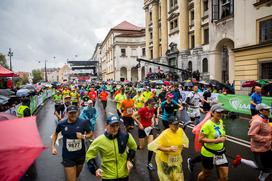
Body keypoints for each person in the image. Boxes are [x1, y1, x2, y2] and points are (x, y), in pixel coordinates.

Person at [86, 115, 137, 181]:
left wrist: (129, 160)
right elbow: (89, 155)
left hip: (124, 175)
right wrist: (95, 169)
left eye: (117, 125)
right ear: (106, 125)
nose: (115, 128)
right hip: (108, 177)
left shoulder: (125, 136)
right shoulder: (99, 140)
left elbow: (133, 146)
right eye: (112, 126)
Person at [51, 105, 92, 181]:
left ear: (78, 113)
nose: (73, 114)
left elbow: (90, 134)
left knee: (76, 175)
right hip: (68, 156)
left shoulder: (83, 122)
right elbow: (55, 134)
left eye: (74, 112)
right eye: (70, 113)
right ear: (66, 113)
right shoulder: (61, 124)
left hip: (80, 155)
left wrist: (84, 136)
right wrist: (53, 147)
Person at [148, 116, 189, 181]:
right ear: (169, 125)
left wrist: (182, 145)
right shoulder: (165, 134)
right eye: (174, 124)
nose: (177, 126)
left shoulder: (180, 131)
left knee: (180, 179)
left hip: (176, 160)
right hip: (165, 162)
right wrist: (168, 149)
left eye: (178, 124)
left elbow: (184, 141)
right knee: (167, 179)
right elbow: (155, 146)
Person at [197, 104, 228, 181]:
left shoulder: (220, 121)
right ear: (212, 113)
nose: (220, 114)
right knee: (207, 173)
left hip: (220, 152)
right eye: (218, 112)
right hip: (208, 153)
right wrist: (216, 140)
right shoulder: (207, 124)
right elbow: (200, 139)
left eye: (222, 112)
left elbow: (220, 132)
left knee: (224, 177)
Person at [248, 103, 272, 181]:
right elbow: (251, 134)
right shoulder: (257, 121)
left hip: (267, 147)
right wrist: (267, 138)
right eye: (267, 110)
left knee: (267, 167)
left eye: (269, 109)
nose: (269, 111)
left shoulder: (265, 118)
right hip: (259, 149)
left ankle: (260, 178)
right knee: (265, 168)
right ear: (261, 111)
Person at [132, 98, 157, 170]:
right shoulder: (143, 109)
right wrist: (139, 124)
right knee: (141, 147)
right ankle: (132, 149)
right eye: (152, 104)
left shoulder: (152, 109)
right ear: (148, 104)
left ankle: (149, 163)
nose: (153, 105)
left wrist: (152, 122)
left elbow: (153, 116)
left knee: (151, 146)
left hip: (149, 129)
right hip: (142, 129)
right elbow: (133, 116)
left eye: (154, 104)